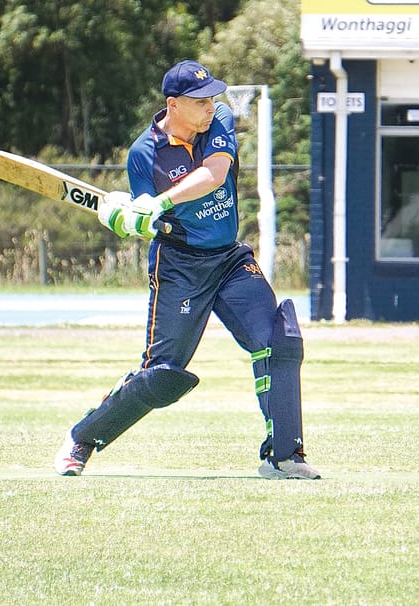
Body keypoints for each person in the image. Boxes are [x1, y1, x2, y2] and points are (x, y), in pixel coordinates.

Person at [54, 60, 320, 479]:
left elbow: (214, 175)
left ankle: (284, 456)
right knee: (161, 376)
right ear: (173, 105)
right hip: (179, 266)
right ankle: (83, 438)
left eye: (212, 96)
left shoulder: (220, 120)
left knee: (278, 340)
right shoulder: (144, 153)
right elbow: (146, 222)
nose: (210, 106)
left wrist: (160, 202)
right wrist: (129, 218)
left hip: (229, 259)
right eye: (199, 101)